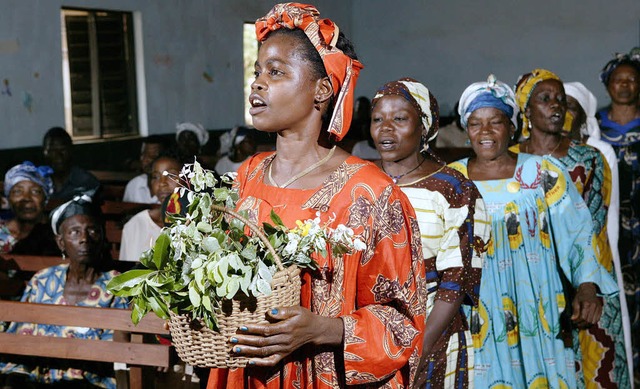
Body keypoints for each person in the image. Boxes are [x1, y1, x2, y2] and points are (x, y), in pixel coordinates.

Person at [207, 3, 425, 388]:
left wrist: (324, 329)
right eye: (258, 71)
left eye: (275, 72)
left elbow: (404, 321)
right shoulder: (246, 177)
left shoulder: (369, 194)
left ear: (321, 90)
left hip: (322, 374)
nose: (257, 83)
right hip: (247, 372)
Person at [450, 74, 618, 388]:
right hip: (477, 307)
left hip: (537, 301)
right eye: (475, 123)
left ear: (512, 126)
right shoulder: (451, 180)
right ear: (465, 129)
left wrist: (586, 286)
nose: (485, 132)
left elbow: (577, 232)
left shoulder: (542, 173)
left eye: (495, 122)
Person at [512, 69, 629, 388]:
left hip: (584, 284)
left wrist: (587, 286)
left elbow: (595, 229)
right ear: (526, 108)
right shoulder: (508, 161)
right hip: (528, 285)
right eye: (545, 99)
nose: (556, 106)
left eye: (561, 100)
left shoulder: (589, 159)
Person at [369, 77, 490, 388]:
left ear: (424, 126)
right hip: (366, 334)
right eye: (377, 119)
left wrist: (419, 347)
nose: (385, 128)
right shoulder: (361, 181)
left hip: (433, 333)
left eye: (399, 119)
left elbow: (457, 280)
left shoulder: (454, 188)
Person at [0, 189, 128, 388]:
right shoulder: (43, 281)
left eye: (92, 230)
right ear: (61, 242)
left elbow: (116, 352)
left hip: (91, 383)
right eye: (74, 232)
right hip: (40, 381)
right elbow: (21, 338)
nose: (84, 238)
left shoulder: (117, 286)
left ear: (102, 238)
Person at [564, 81, 635, 384]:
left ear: (584, 115)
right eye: (558, 105)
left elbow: (608, 213)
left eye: (571, 108)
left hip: (595, 256)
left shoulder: (599, 151)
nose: (563, 113)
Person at [597, 48, 640, 385]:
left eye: (632, 79)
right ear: (608, 85)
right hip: (610, 229)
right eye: (618, 79)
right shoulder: (594, 129)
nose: (625, 85)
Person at [119, 154, 181, 262]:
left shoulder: (201, 224)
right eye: (155, 177)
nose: (162, 183)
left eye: (171, 175)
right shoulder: (135, 225)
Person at [0, 161, 58, 256]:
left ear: (45, 199)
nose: (26, 198)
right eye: (18, 191)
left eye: (35, 192)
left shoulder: (57, 235)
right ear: (9, 198)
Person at [42, 127, 100, 204]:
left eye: (63, 149)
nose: (58, 156)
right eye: (53, 150)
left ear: (71, 151)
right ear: (45, 153)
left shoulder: (86, 183)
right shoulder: (38, 182)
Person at [122, 135, 169, 204]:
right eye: (144, 155)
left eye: (153, 157)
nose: (147, 161)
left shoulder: (172, 186)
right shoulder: (134, 184)